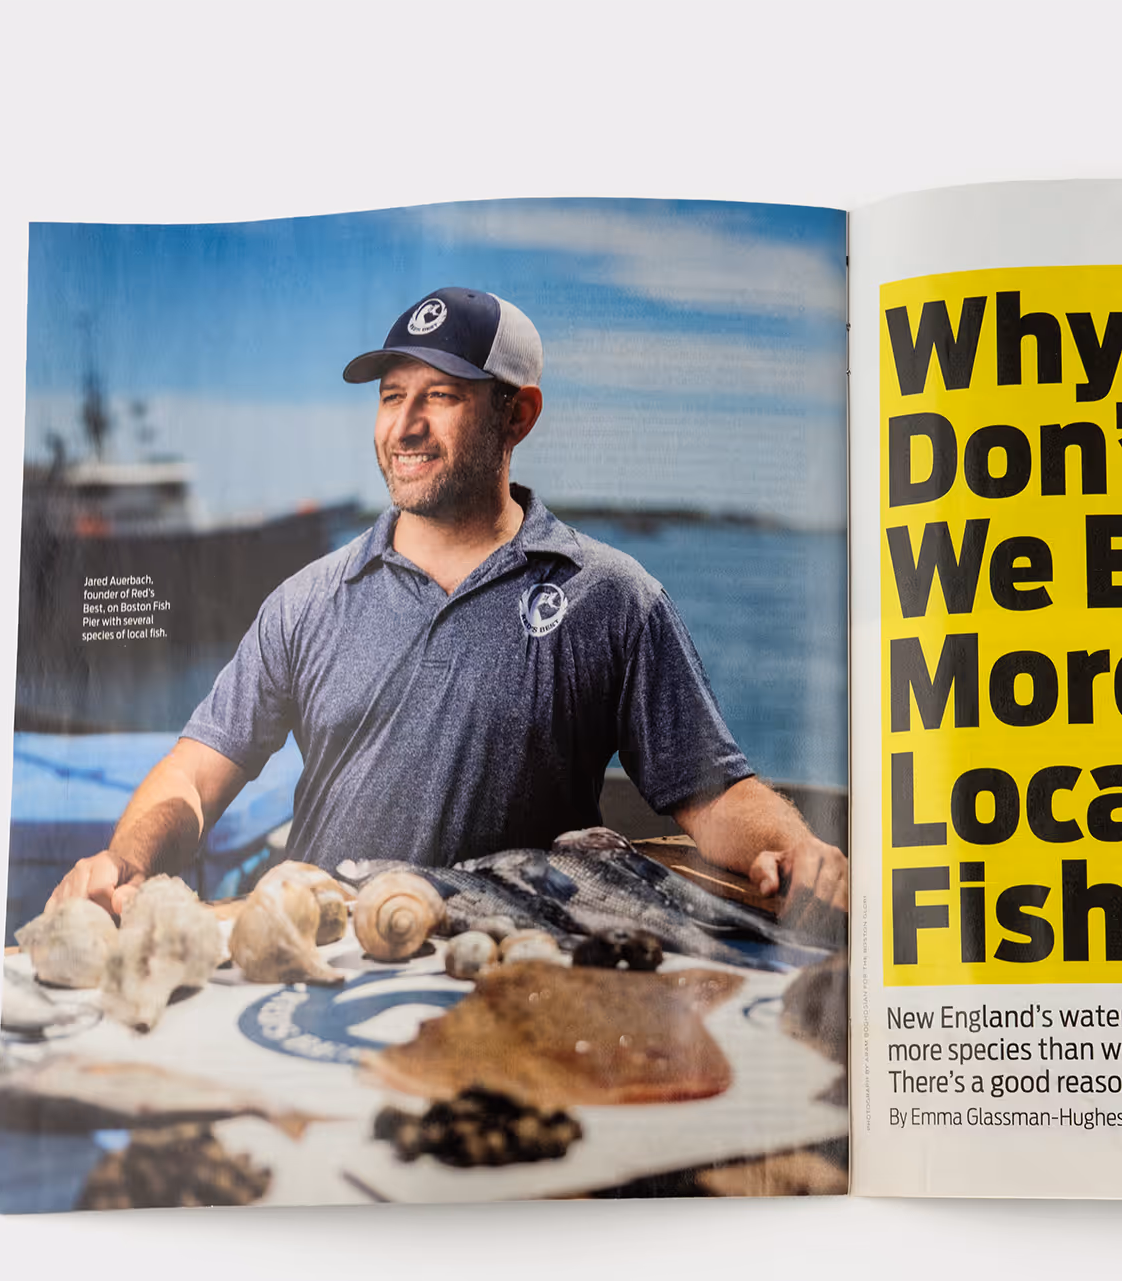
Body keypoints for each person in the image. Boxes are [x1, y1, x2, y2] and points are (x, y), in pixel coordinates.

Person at [52, 286, 847, 937]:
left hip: (513, 979)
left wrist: (794, 848)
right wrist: (124, 865)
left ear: (517, 416)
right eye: (392, 397)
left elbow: (709, 795)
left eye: (441, 396)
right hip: (322, 962)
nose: (405, 425)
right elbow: (193, 775)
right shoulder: (307, 601)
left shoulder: (611, 597)